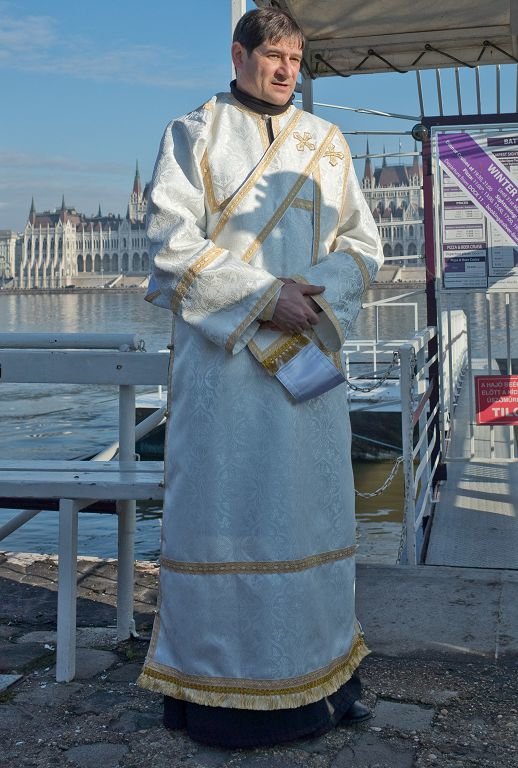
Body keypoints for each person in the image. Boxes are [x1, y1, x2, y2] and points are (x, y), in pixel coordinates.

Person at [138, 7, 383, 748]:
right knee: (225, 518)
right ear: (239, 54)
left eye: (296, 58)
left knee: (311, 513)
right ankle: (216, 692)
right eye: (274, 55)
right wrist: (260, 297)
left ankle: (326, 680)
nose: (287, 70)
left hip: (305, 360)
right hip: (225, 378)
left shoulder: (328, 145)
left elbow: (364, 247)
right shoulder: (193, 134)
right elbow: (168, 244)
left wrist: (306, 294)